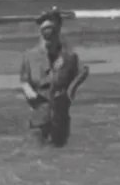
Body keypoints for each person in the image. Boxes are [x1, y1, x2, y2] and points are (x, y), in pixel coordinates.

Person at [19, 8, 89, 147]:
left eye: (51, 29)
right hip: (39, 117)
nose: (48, 34)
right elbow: (24, 79)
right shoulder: (30, 56)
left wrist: (71, 90)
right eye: (44, 30)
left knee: (59, 158)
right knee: (37, 155)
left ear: (58, 30)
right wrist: (29, 92)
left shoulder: (69, 57)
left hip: (60, 116)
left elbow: (83, 71)